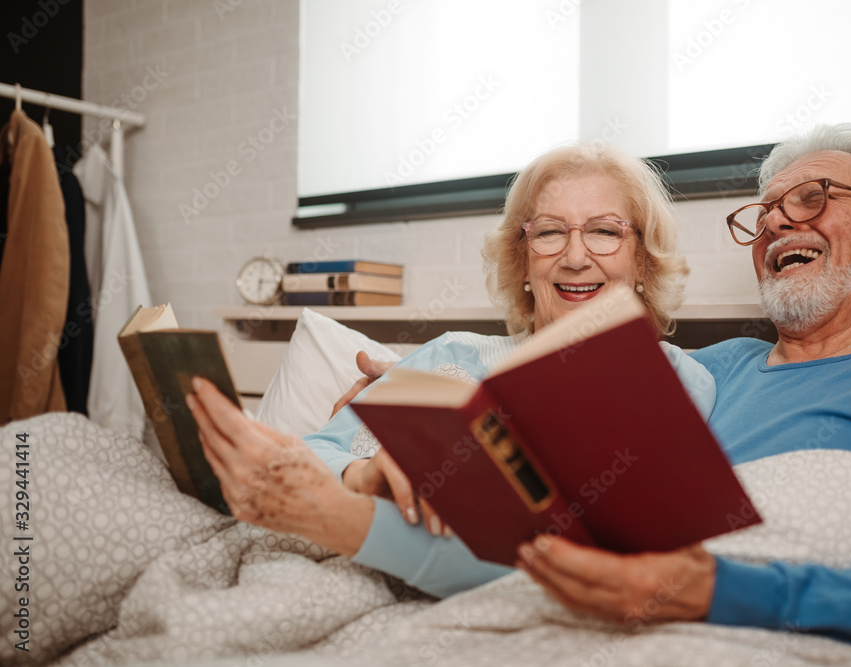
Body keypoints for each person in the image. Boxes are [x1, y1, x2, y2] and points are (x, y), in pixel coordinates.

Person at [515, 124, 851, 667]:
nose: (773, 221)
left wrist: (713, 589)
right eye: (763, 212)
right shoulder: (700, 372)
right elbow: (548, 417)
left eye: (812, 198)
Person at [187, 141, 716, 598]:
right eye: (550, 232)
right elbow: (317, 449)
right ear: (524, 261)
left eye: (604, 231)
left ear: (643, 261)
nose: (575, 256)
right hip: (333, 567)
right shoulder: (454, 354)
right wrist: (362, 473)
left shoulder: (677, 379)